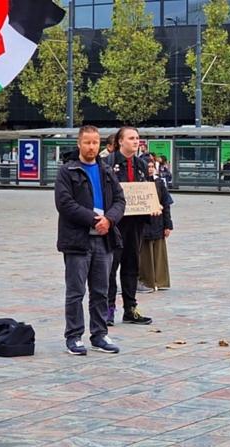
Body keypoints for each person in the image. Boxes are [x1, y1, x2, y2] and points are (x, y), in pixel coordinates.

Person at [55, 125, 126, 355]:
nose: (91, 147)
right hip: (77, 240)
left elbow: (119, 200)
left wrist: (110, 220)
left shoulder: (106, 171)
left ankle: (100, 334)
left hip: (103, 240)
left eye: (95, 142)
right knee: (76, 291)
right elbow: (65, 204)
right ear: (79, 143)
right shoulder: (68, 171)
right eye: (87, 142)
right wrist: (94, 219)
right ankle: (74, 336)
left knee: (101, 290)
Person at [103, 127, 160, 325]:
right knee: (111, 266)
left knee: (132, 265)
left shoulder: (142, 165)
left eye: (137, 138)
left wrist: (153, 205)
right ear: (120, 141)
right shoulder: (107, 164)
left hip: (135, 222)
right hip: (115, 223)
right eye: (132, 138)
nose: (136, 142)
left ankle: (130, 308)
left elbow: (149, 189)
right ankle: (108, 308)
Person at [140, 159, 173, 290]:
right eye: (148, 166)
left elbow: (166, 204)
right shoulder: (138, 183)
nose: (150, 169)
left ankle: (160, 280)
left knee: (159, 253)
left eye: (152, 166)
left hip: (158, 223)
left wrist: (167, 225)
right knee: (144, 254)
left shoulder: (159, 183)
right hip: (143, 224)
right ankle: (146, 281)